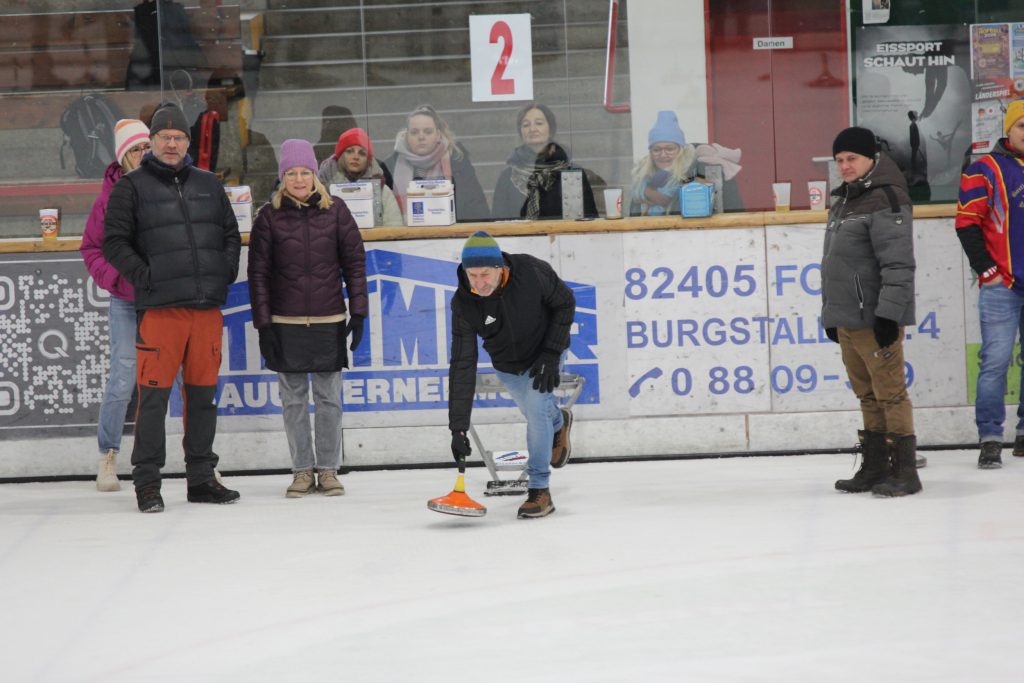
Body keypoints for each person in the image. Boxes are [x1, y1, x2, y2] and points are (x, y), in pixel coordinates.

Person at [103, 102, 241, 513]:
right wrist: (147, 276)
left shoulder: (209, 184)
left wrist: (224, 271)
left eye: (179, 137)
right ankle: (147, 483)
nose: (171, 143)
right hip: (161, 312)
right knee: (154, 402)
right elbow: (114, 243)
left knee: (202, 399)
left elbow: (231, 234)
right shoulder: (131, 186)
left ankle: (201, 478)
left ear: (188, 142)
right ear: (151, 142)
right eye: (164, 137)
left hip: (205, 311)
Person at [249, 139, 368, 497]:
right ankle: (302, 470)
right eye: (291, 173)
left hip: (328, 319)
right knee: (294, 400)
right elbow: (258, 275)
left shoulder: (337, 211)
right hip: (286, 325)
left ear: (315, 175)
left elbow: (355, 265)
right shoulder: (268, 217)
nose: (299, 179)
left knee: (329, 398)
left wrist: (359, 311)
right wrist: (264, 324)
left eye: (305, 172)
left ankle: (328, 470)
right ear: (282, 177)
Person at [448, 231, 576, 518]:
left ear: (500, 268)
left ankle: (539, 490)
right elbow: (462, 365)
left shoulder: (531, 271)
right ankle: (560, 421)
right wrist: (457, 427)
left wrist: (551, 354)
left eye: (485, 275)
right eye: (472, 276)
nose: (479, 283)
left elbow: (565, 302)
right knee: (538, 413)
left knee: (536, 408)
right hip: (508, 365)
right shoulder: (463, 304)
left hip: (545, 352)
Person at [822, 126, 921, 497]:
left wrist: (889, 314)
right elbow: (832, 263)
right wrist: (830, 313)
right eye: (840, 160)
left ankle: (904, 471)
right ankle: (876, 465)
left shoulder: (887, 198)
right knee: (866, 394)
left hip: (875, 317)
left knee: (890, 394)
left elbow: (898, 264)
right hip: (847, 317)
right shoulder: (845, 200)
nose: (845, 166)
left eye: (852, 159)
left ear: (871, 159)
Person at [80, 119, 151, 492]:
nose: (143, 155)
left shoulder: (164, 186)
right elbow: (91, 247)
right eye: (135, 150)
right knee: (124, 376)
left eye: (146, 148)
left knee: (184, 377)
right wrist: (117, 279)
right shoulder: (108, 196)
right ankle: (108, 454)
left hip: (164, 299)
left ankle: (199, 460)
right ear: (122, 156)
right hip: (126, 300)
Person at [956, 98, 1024, 469]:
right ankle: (990, 437)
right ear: (1008, 130)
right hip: (1003, 285)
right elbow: (966, 223)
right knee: (995, 361)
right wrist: (986, 270)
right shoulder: (984, 169)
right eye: (1022, 126)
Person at [383, 104, 490, 222]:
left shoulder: (458, 163)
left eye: (428, 132)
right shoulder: (390, 167)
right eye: (414, 132)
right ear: (406, 136)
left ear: (438, 135)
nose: (421, 137)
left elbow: (476, 207)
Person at [491, 103, 598, 220]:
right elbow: (498, 221)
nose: (532, 129)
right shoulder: (508, 176)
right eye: (526, 125)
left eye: (539, 123)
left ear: (551, 129)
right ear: (520, 132)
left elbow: (589, 220)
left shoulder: (572, 173)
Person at [317, 127, 403, 227]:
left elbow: (394, 227)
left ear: (368, 160)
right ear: (341, 155)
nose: (356, 157)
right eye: (349, 151)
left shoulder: (382, 190)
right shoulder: (322, 189)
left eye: (362, 153)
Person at [628, 110, 698, 217]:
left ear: (680, 150)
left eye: (669, 149)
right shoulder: (641, 178)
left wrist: (647, 192)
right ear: (650, 152)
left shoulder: (691, 176)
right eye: (657, 150)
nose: (663, 155)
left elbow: (665, 200)